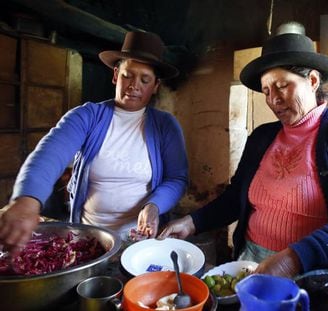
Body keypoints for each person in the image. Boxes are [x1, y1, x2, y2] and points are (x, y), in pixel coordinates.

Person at [159, 22, 328, 279]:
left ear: (312, 80)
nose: (273, 100)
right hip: (249, 264)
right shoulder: (262, 136)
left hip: (316, 272)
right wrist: (192, 222)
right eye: (267, 91)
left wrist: (294, 259)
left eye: (282, 86)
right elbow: (236, 197)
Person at [0, 30, 188, 251]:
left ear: (155, 86)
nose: (134, 85)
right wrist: (27, 200)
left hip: (140, 243)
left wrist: (154, 206)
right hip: (89, 237)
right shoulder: (87, 116)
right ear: (116, 75)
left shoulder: (165, 126)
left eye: (145, 79)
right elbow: (50, 152)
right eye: (128, 75)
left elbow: (177, 178)